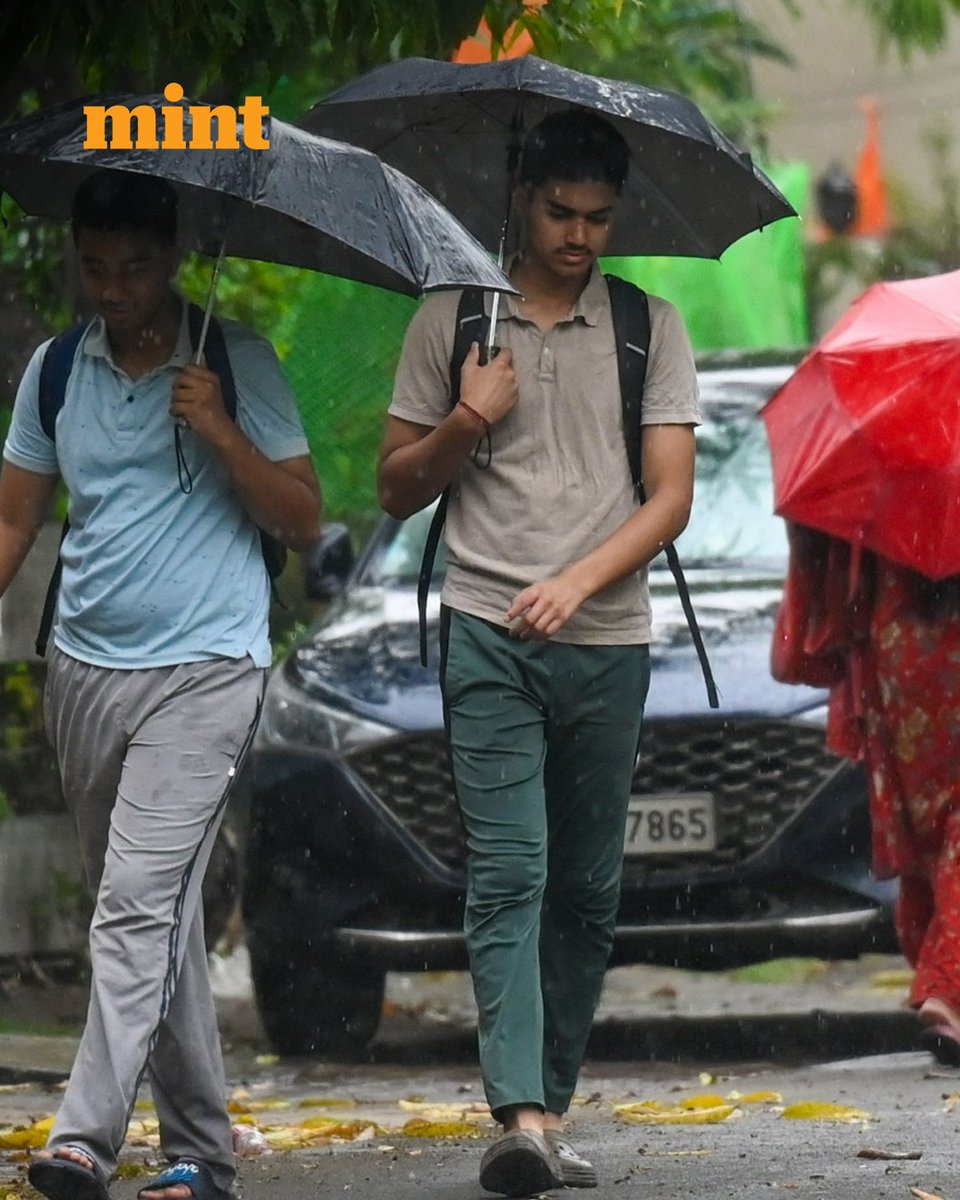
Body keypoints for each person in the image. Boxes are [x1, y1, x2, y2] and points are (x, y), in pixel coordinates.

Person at [378, 110, 699, 1196]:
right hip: (484, 631)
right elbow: (393, 486)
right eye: (561, 212)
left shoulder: (652, 327)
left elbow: (671, 501)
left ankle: (548, 1112)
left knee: (590, 892)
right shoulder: (453, 318)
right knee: (511, 874)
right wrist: (467, 421)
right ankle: (516, 1114)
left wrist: (576, 580)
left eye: (599, 218)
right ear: (522, 200)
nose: (580, 234)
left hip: (607, 637)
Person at [0, 171, 322, 1200]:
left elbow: (303, 517)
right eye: (96, 267)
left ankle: (83, 1136)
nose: (115, 286)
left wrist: (222, 429)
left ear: (173, 260)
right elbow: (14, 521)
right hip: (88, 672)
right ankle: (201, 1155)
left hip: (208, 667)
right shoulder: (56, 372)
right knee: (157, 911)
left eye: (135, 267)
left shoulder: (238, 362)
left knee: (135, 907)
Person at [771, 523, 960, 1067]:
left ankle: (940, 977)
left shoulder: (884, 452)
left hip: (898, 642)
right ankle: (948, 985)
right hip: (942, 633)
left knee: (928, 817)